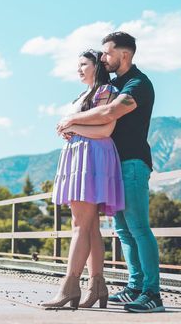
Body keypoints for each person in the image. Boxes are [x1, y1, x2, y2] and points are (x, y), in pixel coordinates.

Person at [56, 32, 163, 313]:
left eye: (107, 53)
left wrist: (70, 120)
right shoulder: (115, 83)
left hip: (133, 163)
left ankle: (152, 293)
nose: (103, 58)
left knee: (138, 228)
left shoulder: (138, 85)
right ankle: (135, 287)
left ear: (123, 54)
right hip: (112, 166)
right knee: (123, 231)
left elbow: (109, 114)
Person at [41, 49, 124, 310]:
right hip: (81, 155)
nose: (78, 69)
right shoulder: (82, 95)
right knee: (89, 227)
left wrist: (72, 127)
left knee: (80, 224)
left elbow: (106, 128)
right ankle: (97, 285)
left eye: (83, 64)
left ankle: (70, 286)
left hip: (92, 155)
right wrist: (68, 129)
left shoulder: (105, 91)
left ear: (96, 66)